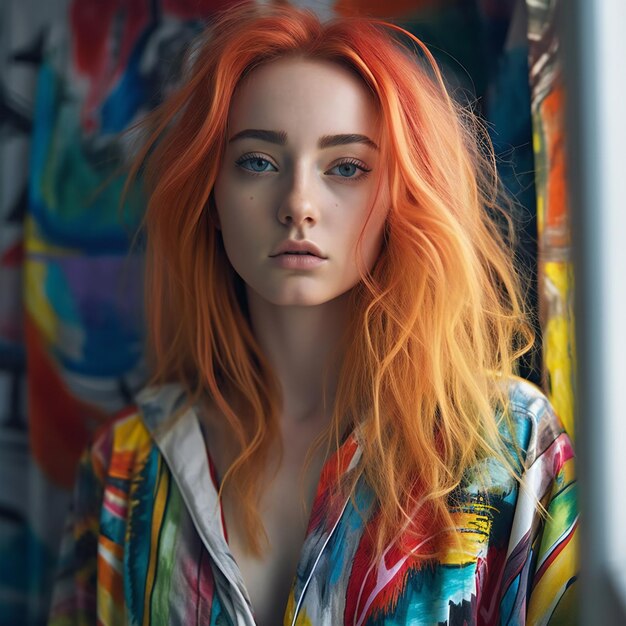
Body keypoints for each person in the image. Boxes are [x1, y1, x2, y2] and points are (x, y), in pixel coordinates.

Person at [48, 2, 578, 625]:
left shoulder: (508, 446)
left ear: (399, 198)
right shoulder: (124, 467)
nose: (298, 202)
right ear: (211, 195)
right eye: (258, 161)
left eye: (346, 167)